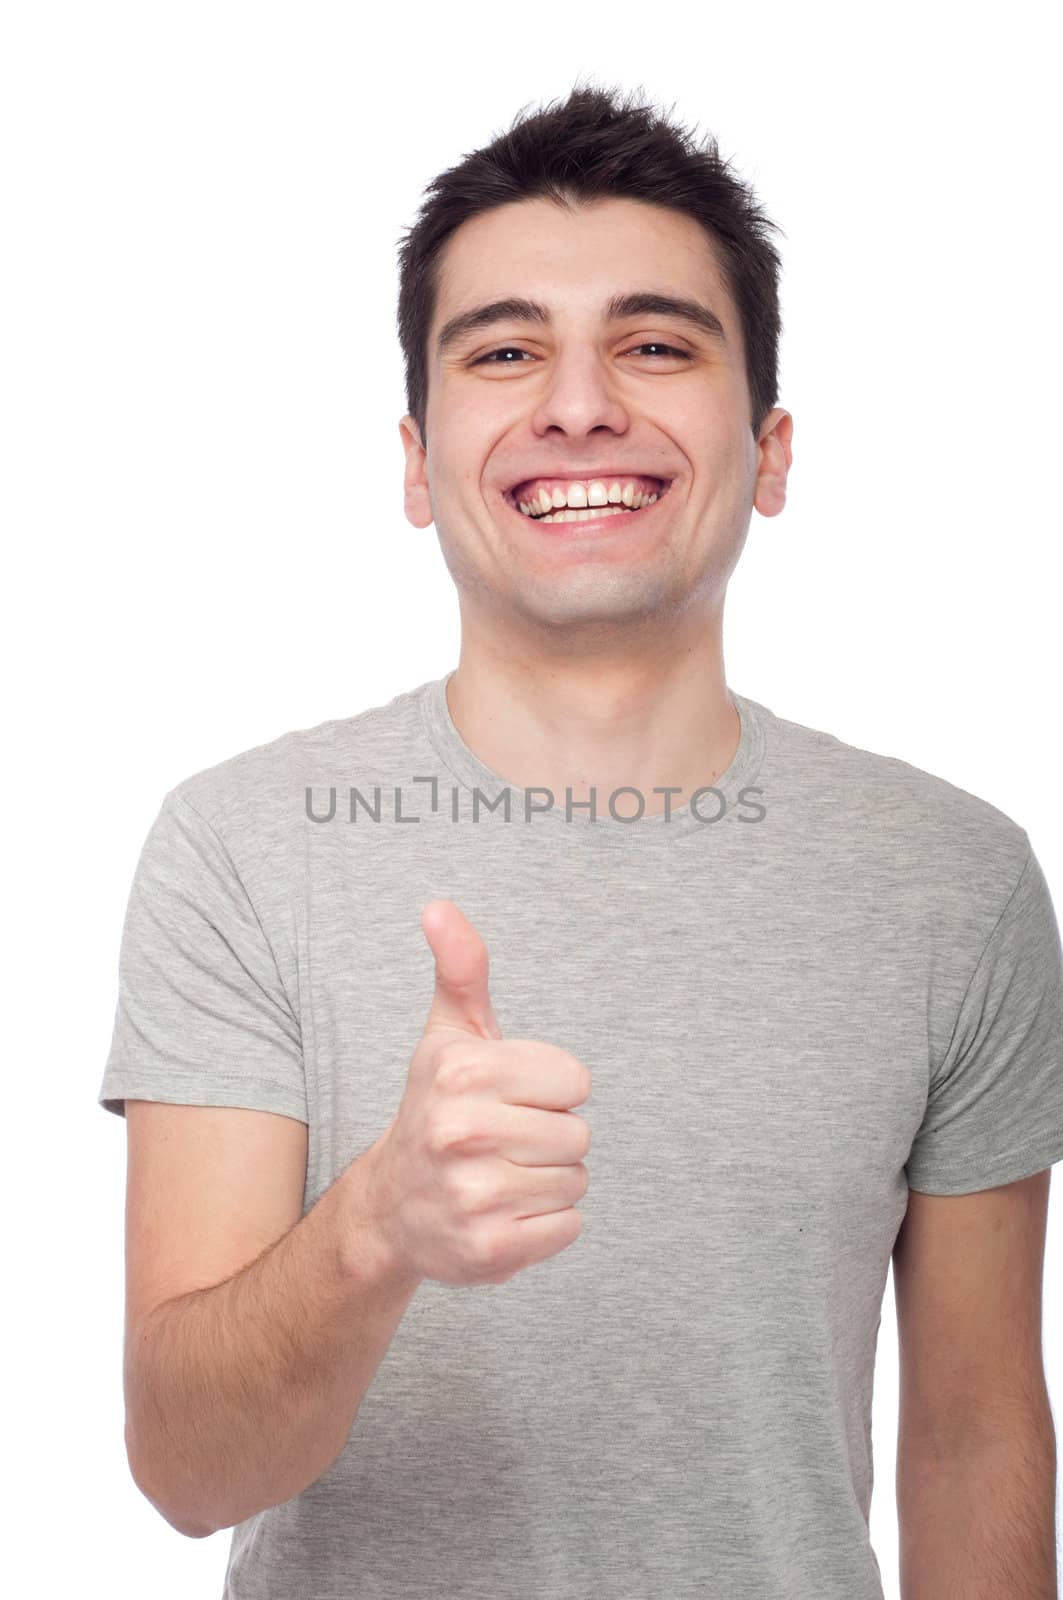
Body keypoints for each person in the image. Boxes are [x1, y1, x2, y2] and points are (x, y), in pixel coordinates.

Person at [99, 81, 1063, 1600]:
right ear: (418, 463)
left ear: (775, 448)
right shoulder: (241, 848)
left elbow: (976, 1432)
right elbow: (183, 1467)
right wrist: (377, 1227)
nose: (579, 402)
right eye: (504, 351)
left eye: (658, 343)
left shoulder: (957, 881)